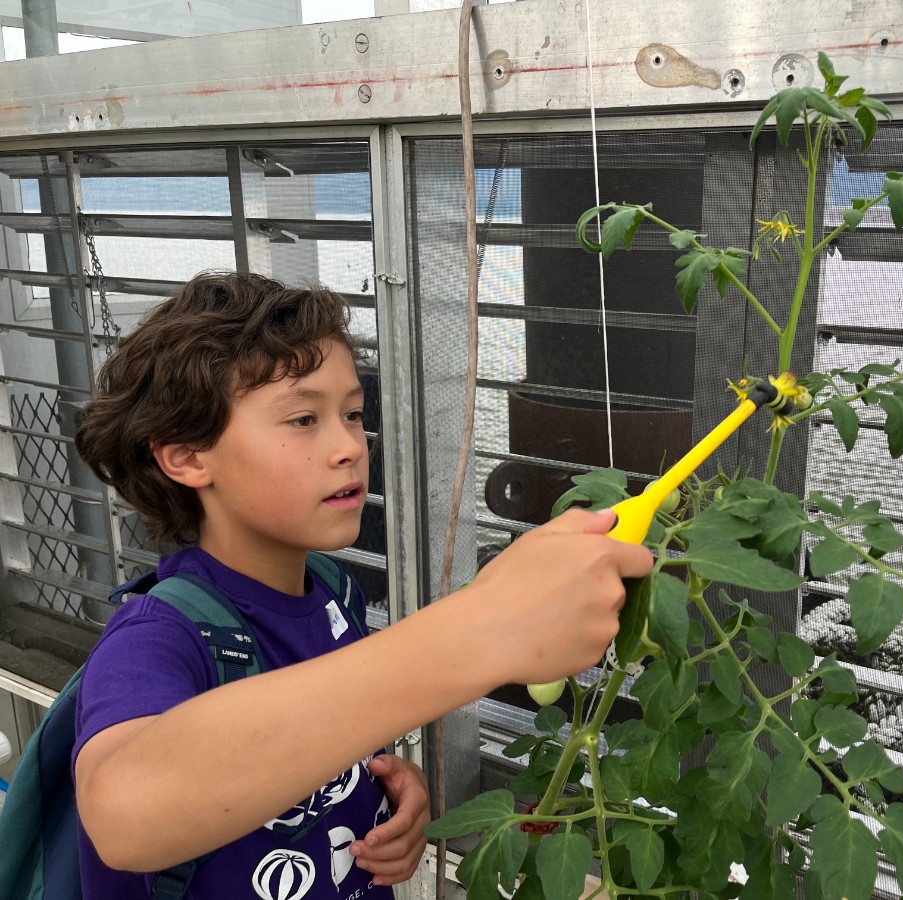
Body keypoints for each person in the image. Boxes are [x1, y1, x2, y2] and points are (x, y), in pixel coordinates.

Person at [71, 271, 653, 899]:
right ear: (186, 457)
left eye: (351, 413)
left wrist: (380, 796)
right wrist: (480, 630)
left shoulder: (333, 591)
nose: (349, 445)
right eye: (302, 418)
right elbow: (123, 816)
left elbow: (316, 739)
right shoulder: (158, 638)